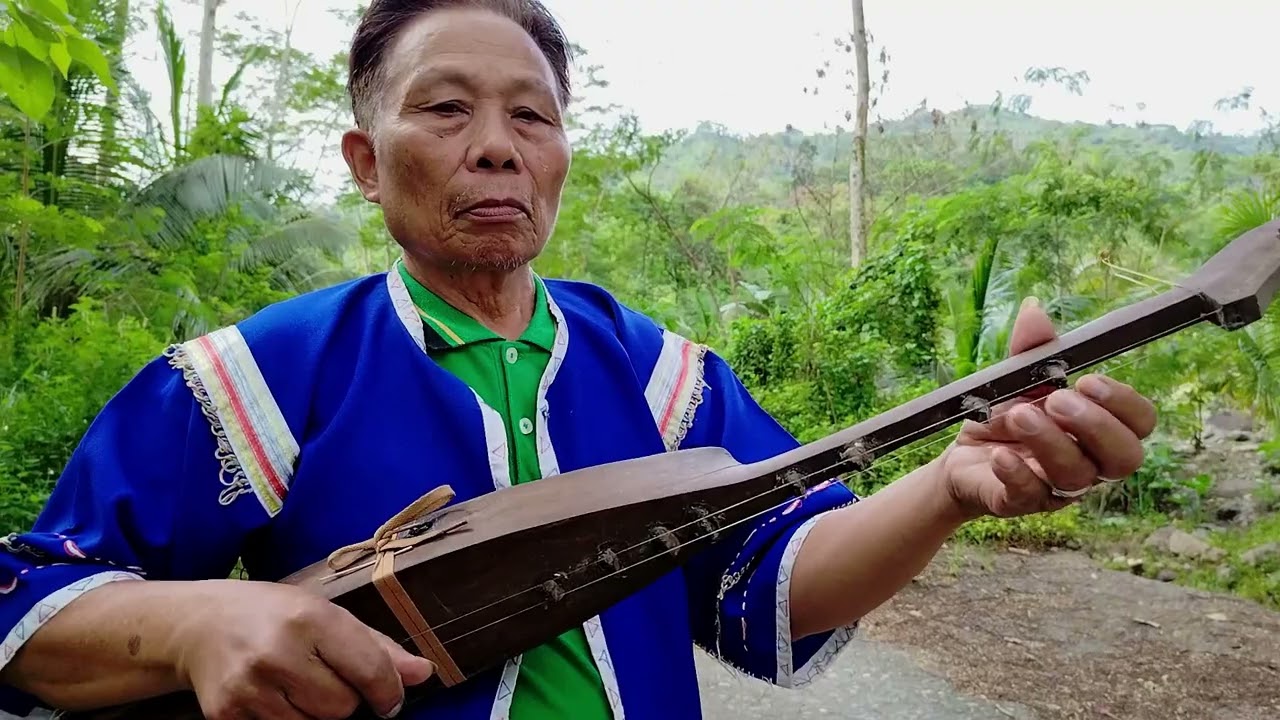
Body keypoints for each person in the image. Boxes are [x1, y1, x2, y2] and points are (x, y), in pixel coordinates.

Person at [0, 1, 1158, 718]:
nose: (495, 146)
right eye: (444, 110)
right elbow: (33, 603)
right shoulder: (253, 380)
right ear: (365, 159)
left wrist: (946, 489)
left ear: (559, 156)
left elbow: (769, 582)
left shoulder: (664, 378)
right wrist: (198, 625)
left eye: (532, 118)